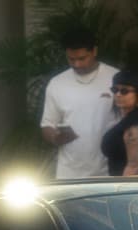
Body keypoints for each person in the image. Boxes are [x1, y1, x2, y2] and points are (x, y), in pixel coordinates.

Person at [40, 25, 118, 180]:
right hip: (68, 173)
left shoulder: (115, 78)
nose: (77, 64)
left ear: (94, 51)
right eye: (71, 59)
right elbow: (47, 124)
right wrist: (55, 137)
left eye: (82, 58)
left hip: (109, 171)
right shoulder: (57, 83)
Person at [101, 67, 138, 177]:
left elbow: (133, 167)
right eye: (115, 90)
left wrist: (119, 191)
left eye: (124, 91)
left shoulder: (135, 126)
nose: (118, 94)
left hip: (127, 187)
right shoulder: (131, 119)